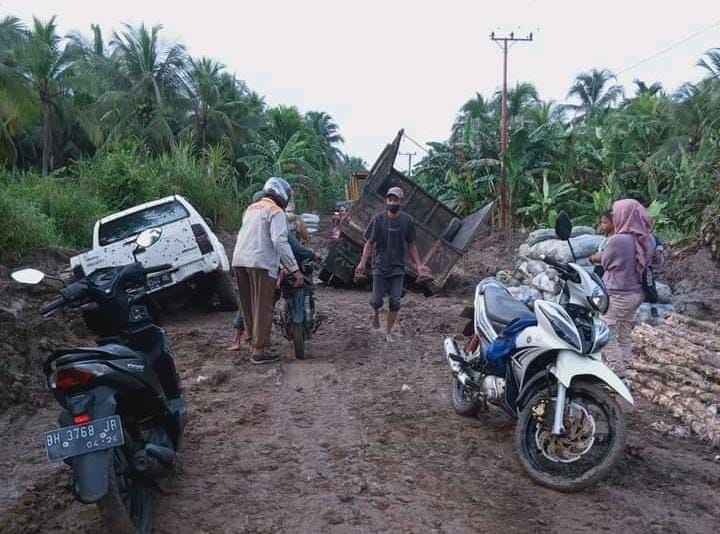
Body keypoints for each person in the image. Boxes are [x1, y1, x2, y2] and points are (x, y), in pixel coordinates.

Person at [231, 177, 304, 364]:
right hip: (260, 262)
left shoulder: (251, 208)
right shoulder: (276, 211)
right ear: (282, 194)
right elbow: (279, 241)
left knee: (248, 305)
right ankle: (259, 350)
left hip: (240, 261)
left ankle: (251, 343)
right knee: (263, 307)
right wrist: (294, 269)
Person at [354, 186, 431, 341]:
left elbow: (412, 245)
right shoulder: (378, 219)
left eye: (395, 199)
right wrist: (362, 263)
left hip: (397, 268)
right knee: (376, 300)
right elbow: (370, 243)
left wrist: (418, 265)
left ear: (401, 201)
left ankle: (388, 332)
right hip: (380, 266)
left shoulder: (407, 221)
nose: (392, 202)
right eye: (390, 199)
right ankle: (375, 314)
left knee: (395, 302)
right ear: (386, 201)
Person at [601, 198, 655, 375]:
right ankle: (625, 366)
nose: (614, 217)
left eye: (616, 214)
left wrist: (596, 256)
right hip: (636, 293)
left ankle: (616, 372)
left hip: (618, 294)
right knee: (624, 332)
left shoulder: (619, 240)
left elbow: (606, 262)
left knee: (607, 332)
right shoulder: (647, 239)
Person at [590, 209, 615, 276]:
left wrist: (593, 258)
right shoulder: (605, 239)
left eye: (605, 223)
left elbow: (606, 256)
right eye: (601, 223)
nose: (602, 225)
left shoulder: (615, 240)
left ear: (614, 223)